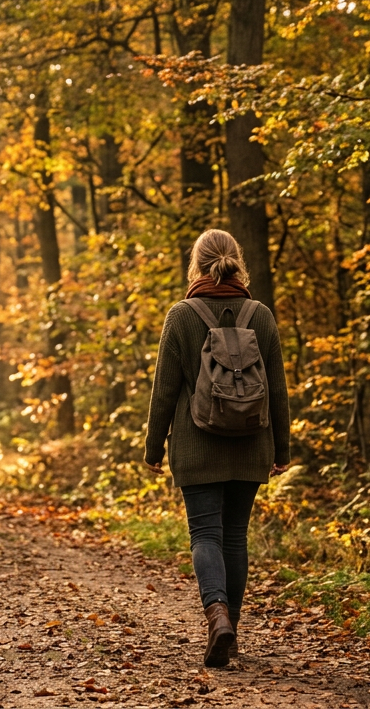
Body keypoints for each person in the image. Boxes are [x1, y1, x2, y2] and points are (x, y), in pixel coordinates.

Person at [143, 228, 290, 668]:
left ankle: (217, 618)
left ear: (197, 264)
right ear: (237, 262)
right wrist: (281, 449)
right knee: (235, 537)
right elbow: (278, 390)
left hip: (196, 445)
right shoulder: (260, 315)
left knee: (205, 533)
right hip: (250, 445)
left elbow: (165, 390)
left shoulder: (182, 315)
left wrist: (153, 447)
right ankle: (233, 631)